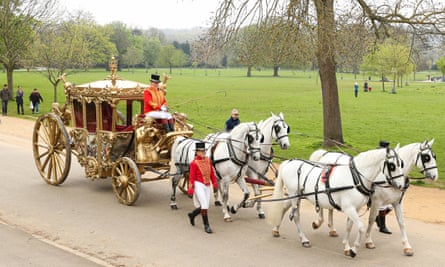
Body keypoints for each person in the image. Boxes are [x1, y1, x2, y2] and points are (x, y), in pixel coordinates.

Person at [187, 142, 218, 234]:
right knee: (204, 205)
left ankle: (192, 215)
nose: (203, 152)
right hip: (198, 184)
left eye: (204, 151)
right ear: (196, 152)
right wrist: (191, 189)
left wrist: (215, 184)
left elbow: (212, 173)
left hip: (207, 184)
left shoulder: (208, 160)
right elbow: (191, 177)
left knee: (205, 205)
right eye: (200, 151)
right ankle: (206, 225)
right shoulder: (193, 163)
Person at [376, 140, 393, 234]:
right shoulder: (379, 155)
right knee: (384, 205)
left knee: (390, 206)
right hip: (377, 180)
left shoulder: (387, 155)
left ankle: (377, 218)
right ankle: (382, 226)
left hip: (385, 179)